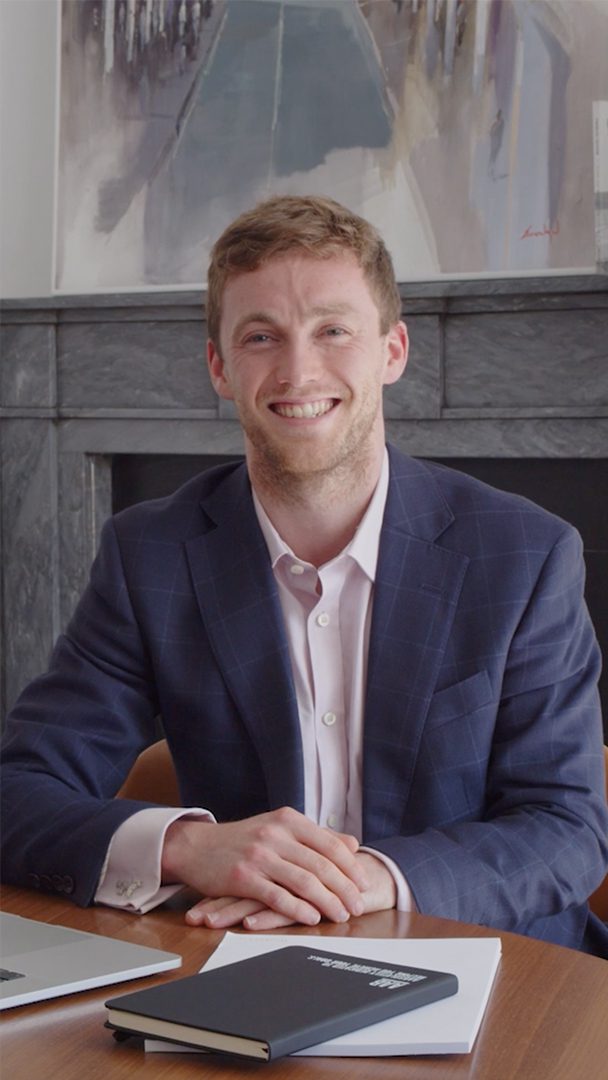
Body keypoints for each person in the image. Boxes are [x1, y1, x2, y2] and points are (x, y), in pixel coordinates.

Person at [2, 195, 607, 956]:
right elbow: (17, 793)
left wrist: (372, 880)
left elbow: (566, 828)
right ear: (220, 367)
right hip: (251, 971)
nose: (298, 370)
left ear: (392, 350)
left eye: (333, 331)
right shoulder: (149, 555)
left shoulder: (525, 555)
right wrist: (190, 847)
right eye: (261, 336)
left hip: (494, 966)